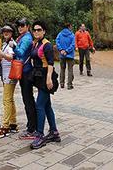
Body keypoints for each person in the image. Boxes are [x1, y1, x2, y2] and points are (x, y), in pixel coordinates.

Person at [29, 20, 61, 149]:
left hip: (45, 77)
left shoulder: (47, 45)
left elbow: (51, 63)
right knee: (47, 106)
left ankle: (40, 135)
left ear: (44, 31)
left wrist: (49, 79)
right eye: (34, 30)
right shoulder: (36, 43)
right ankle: (54, 132)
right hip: (38, 76)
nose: (36, 32)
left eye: (39, 30)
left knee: (39, 105)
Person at [14, 18, 38, 140]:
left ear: (27, 26)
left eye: (22, 25)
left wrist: (13, 45)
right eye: (18, 25)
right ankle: (32, 126)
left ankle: (32, 129)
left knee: (28, 100)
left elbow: (20, 53)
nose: (20, 27)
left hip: (26, 72)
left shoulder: (27, 38)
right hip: (24, 71)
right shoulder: (23, 38)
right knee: (27, 99)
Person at [0, 25, 18, 138]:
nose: (6, 33)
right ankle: (13, 123)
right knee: (10, 99)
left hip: (10, 75)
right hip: (6, 75)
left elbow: (11, 57)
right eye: (4, 31)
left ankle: (5, 126)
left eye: (8, 31)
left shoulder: (11, 44)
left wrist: (1, 54)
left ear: (12, 33)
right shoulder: (5, 44)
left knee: (6, 100)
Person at [56, 22, 76, 89]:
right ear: (69, 26)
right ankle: (69, 85)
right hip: (70, 55)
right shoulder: (72, 35)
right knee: (70, 70)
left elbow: (57, 42)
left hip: (62, 55)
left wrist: (61, 50)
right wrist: (67, 51)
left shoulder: (60, 34)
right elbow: (73, 45)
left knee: (62, 69)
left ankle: (62, 83)